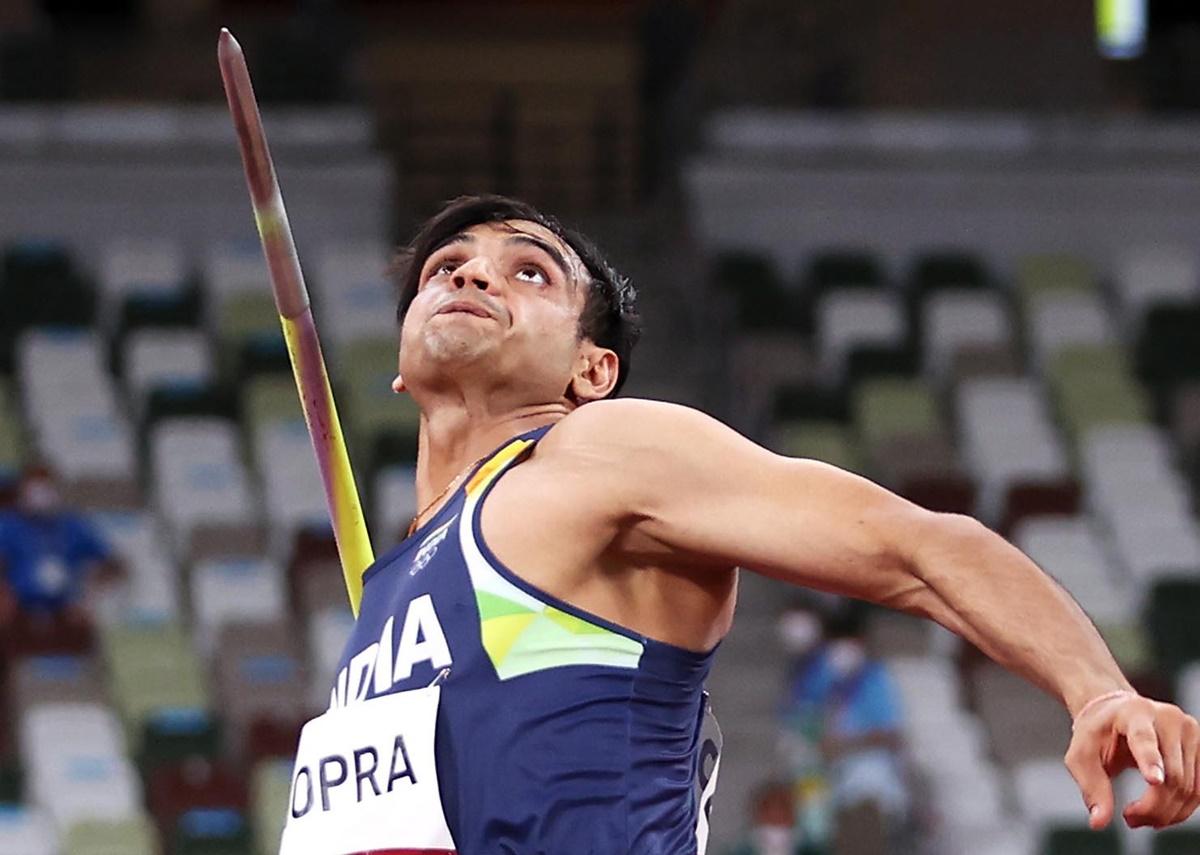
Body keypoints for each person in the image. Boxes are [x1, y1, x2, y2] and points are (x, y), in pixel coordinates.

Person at [279, 195, 1200, 855]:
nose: (473, 270)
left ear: (591, 372)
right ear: (399, 359)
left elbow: (917, 548)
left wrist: (1096, 690)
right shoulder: (392, 580)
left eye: (528, 271)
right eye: (447, 266)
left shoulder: (602, 455)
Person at [0, 464, 121, 626]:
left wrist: (89, 599)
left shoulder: (74, 525)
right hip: (20, 612)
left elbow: (111, 564)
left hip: (68, 612)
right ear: (23, 491)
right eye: (35, 489)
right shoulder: (8, 525)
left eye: (46, 489)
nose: (40, 496)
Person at [722, 780, 803, 855]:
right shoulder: (737, 852)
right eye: (770, 815)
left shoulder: (808, 851)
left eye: (783, 813)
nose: (776, 818)